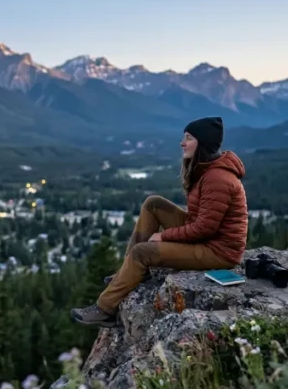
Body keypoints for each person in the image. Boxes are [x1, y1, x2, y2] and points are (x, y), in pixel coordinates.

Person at [71, 116, 248, 327]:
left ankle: (105, 309)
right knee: (153, 203)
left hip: (218, 252)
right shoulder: (208, 170)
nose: (182, 143)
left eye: (188, 138)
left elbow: (205, 229)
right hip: (207, 239)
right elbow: (202, 222)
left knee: (142, 252)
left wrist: (163, 236)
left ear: (202, 143)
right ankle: (131, 272)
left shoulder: (218, 178)